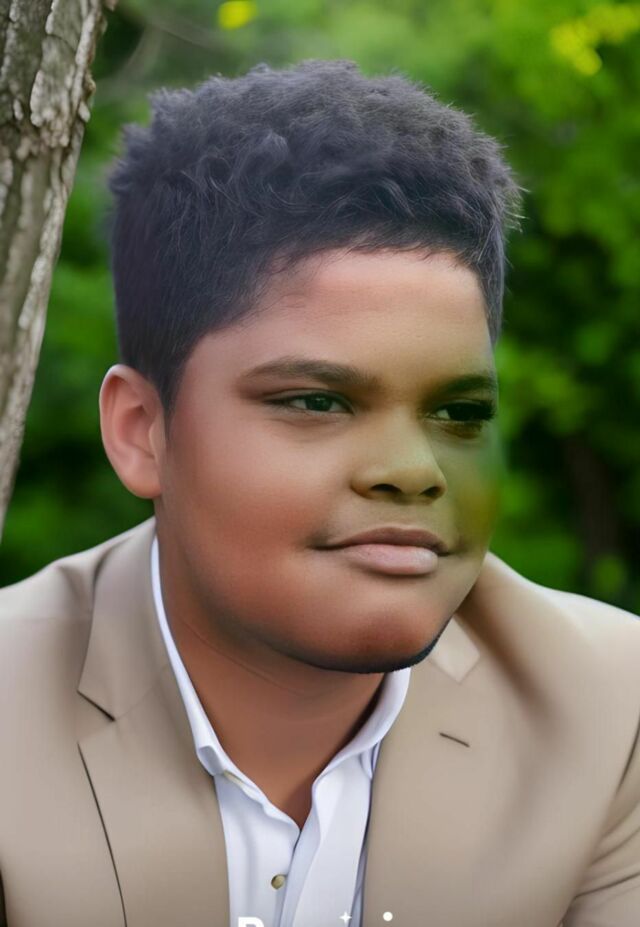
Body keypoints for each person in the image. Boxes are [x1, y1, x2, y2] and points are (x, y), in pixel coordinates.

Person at [0, 59, 638, 927]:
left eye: (459, 412)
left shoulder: (609, 711)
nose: (412, 470)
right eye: (316, 402)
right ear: (143, 430)